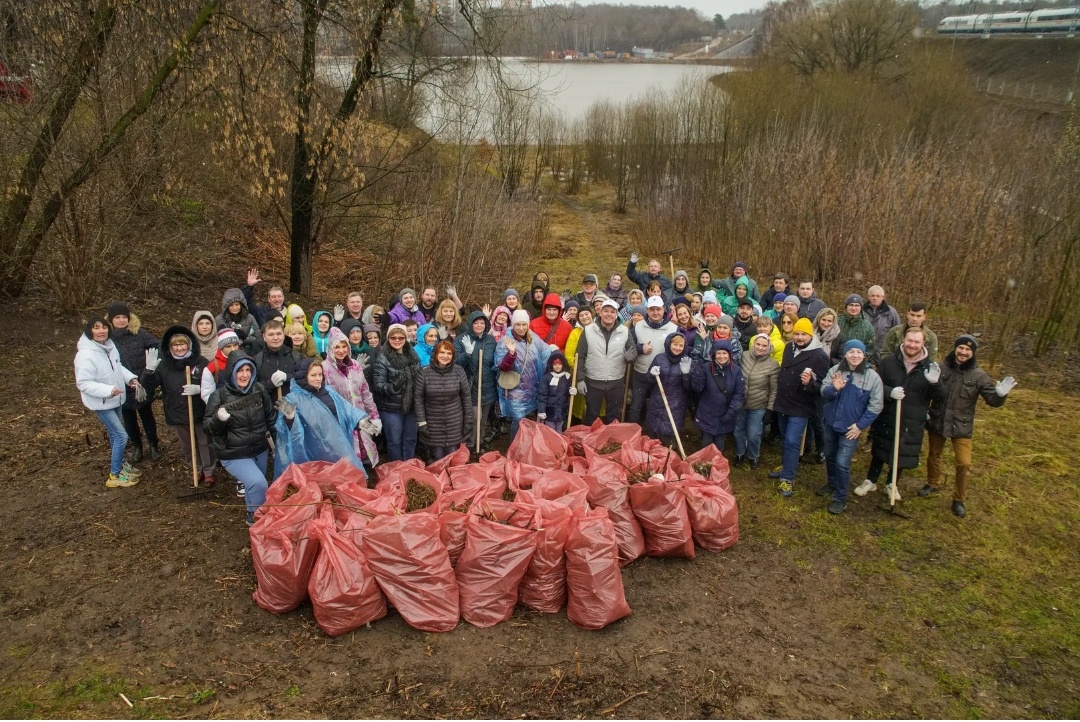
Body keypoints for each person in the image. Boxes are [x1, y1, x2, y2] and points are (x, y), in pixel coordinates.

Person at [923, 335, 1015, 518]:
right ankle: (932, 483)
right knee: (934, 454)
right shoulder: (940, 368)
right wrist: (924, 408)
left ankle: (959, 499)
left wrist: (1000, 395)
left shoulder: (979, 375)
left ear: (972, 353)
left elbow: (992, 400)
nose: (963, 352)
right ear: (955, 348)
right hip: (938, 419)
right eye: (961, 348)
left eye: (968, 350)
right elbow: (927, 392)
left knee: (964, 463)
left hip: (962, 425)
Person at [856, 327, 942, 500]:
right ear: (903, 340)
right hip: (888, 414)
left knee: (902, 451)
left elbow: (941, 397)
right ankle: (871, 480)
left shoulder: (929, 368)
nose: (912, 345)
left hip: (912, 418)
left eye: (917, 342)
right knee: (880, 448)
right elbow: (876, 385)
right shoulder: (889, 362)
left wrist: (935, 383)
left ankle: (892, 483)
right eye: (910, 340)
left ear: (923, 343)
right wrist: (889, 392)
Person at [204, 350, 278, 525]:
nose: (245, 375)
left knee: (255, 486)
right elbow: (208, 428)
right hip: (233, 452)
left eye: (248, 370)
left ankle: (253, 513)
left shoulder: (258, 389)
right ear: (232, 372)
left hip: (259, 449)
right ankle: (257, 518)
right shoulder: (219, 396)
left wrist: (278, 443)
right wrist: (218, 419)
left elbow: (270, 417)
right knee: (258, 483)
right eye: (240, 370)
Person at [140, 326, 217, 485]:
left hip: (199, 411)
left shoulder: (201, 362)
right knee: (188, 445)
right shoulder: (164, 365)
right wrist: (149, 371)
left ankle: (209, 471)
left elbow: (213, 384)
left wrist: (200, 389)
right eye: (175, 345)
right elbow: (149, 386)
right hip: (176, 412)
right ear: (170, 347)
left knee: (205, 442)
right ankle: (197, 469)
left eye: (182, 344)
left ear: (189, 345)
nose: (179, 348)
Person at [275, 358, 376, 477]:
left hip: (339, 442)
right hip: (314, 448)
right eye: (313, 375)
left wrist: (360, 421)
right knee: (323, 478)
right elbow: (286, 432)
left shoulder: (328, 391)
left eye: (320, 374)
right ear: (303, 377)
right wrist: (290, 418)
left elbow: (346, 409)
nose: (318, 378)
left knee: (346, 475)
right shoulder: (293, 399)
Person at [75, 317, 143, 487]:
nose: (101, 331)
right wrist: (108, 390)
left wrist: (130, 379)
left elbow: (117, 367)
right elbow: (83, 383)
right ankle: (114, 475)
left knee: (115, 435)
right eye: (96, 328)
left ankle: (121, 466)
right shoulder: (85, 355)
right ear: (89, 331)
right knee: (121, 436)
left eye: (104, 327)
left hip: (116, 399)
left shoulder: (109, 347)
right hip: (102, 402)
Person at [818, 340, 884, 514]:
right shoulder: (835, 370)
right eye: (851, 352)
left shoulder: (872, 377)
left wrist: (860, 426)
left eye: (859, 352)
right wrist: (834, 389)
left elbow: (876, 405)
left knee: (842, 462)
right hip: (830, 423)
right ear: (845, 354)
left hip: (851, 429)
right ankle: (832, 483)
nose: (855, 355)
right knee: (830, 455)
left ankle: (840, 498)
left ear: (864, 355)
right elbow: (823, 392)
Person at [768, 318, 831, 498]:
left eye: (804, 334)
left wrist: (808, 383)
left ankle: (787, 477)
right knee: (785, 438)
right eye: (797, 333)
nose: (800, 338)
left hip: (801, 406)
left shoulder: (819, 356)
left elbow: (822, 387)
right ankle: (787, 465)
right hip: (783, 402)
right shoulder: (789, 347)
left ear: (811, 335)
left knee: (792, 441)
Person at [107, 302, 161, 463]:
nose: (121, 320)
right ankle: (137, 446)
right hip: (121, 384)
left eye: (124, 317)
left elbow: (158, 346)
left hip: (142, 381)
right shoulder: (107, 339)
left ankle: (153, 445)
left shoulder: (139, 333)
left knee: (147, 415)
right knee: (128, 418)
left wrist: (150, 368)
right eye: (117, 317)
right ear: (111, 320)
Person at [323, 327, 382, 468]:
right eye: (337, 347)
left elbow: (365, 392)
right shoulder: (324, 368)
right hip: (340, 418)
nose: (341, 350)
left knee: (364, 446)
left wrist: (374, 416)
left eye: (344, 346)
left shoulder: (355, 366)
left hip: (360, 415)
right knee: (347, 453)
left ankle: (366, 471)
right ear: (330, 348)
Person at [494, 310, 551, 442]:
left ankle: (525, 444)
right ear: (513, 325)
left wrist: (555, 353)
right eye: (518, 324)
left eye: (524, 324)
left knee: (527, 417)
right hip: (514, 387)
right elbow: (501, 366)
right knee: (518, 418)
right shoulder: (505, 341)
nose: (521, 328)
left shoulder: (533, 338)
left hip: (531, 387)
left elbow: (546, 351)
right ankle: (514, 446)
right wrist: (511, 353)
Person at [575, 299, 633, 425]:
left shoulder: (624, 331)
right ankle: (592, 436)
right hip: (593, 381)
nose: (609, 314)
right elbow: (580, 356)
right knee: (592, 415)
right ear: (600, 313)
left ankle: (610, 437)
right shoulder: (588, 330)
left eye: (612, 311)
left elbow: (632, 352)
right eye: (606, 311)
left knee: (613, 416)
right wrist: (580, 379)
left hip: (616, 381)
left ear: (616, 314)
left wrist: (630, 357)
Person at [414, 340, 472, 461]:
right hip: (433, 422)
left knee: (452, 454)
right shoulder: (424, 372)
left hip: (454, 420)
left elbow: (466, 397)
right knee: (438, 456)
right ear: (435, 354)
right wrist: (422, 422)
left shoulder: (459, 371)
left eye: (449, 353)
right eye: (442, 352)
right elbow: (418, 399)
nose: (445, 356)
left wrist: (468, 420)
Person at [371, 324, 421, 462]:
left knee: (411, 438)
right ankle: (396, 467)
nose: (397, 340)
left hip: (411, 405)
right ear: (388, 338)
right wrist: (394, 387)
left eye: (401, 337)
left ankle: (408, 465)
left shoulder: (412, 355)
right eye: (393, 337)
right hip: (391, 408)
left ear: (405, 338)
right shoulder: (382, 358)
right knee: (394, 441)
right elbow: (379, 385)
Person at [625, 296, 677, 427]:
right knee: (636, 406)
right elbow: (628, 347)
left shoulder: (673, 328)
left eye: (658, 309)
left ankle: (653, 433)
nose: (655, 312)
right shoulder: (638, 327)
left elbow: (677, 351)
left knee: (657, 407)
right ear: (647, 310)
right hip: (640, 373)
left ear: (663, 309)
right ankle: (633, 432)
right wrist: (640, 348)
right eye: (652, 309)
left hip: (661, 376)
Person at [647, 333, 702, 448]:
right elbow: (649, 379)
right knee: (653, 431)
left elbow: (689, 387)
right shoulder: (659, 358)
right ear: (669, 344)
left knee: (668, 434)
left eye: (681, 345)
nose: (677, 348)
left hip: (676, 403)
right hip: (658, 399)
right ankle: (651, 454)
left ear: (685, 347)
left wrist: (686, 374)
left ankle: (669, 453)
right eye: (675, 344)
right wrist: (652, 374)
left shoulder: (687, 361)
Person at [455, 310, 498, 453]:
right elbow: (455, 363)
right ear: (470, 324)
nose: (479, 325)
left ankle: (480, 442)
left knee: (483, 418)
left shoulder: (490, 340)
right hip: (470, 385)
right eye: (476, 323)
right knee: (474, 417)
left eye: (482, 323)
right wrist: (467, 353)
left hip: (488, 385)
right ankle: (470, 444)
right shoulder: (462, 339)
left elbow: (495, 360)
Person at [735, 334, 779, 469]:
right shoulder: (744, 356)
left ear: (769, 347)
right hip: (741, 403)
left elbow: (774, 389)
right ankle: (740, 454)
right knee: (738, 431)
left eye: (764, 346)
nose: (760, 348)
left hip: (759, 405)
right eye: (758, 344)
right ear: (753, 344)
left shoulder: (773, 365)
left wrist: (770, 410)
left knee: (754, 434)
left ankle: (753, 456)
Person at [693, 339, 744, 454]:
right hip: (707, 412)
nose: (722, 356)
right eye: (719, 353)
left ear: (729, 354)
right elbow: (698, 389)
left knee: (719, 443)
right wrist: (696, 375)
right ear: (714, 354)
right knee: (706, 442)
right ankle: (705, 463)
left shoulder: (736, 371)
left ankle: (716, 462)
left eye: (724, 353)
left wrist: (731, 411)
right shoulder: (706, 368)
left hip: (725, 413)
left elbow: (739, 393)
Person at [253, 318, 301, 398]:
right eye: (271, 335)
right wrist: (270, 383)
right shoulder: (257, 361)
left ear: (284, 335)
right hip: (268, 405)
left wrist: (287, 377)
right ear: (264, 337)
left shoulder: (297, 357)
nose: (275, 338)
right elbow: (252, 388)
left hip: (294, 404)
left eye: (279, 334)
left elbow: (305, 379)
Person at [831, 295, 877, 365]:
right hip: (837, 363)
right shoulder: (837, 322)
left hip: (857, 364)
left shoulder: (868, 327)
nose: (853, 308)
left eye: (857, 305)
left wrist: (858, 362)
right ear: (846, 306)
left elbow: (870, 350)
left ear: (861, 308)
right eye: (851, 305)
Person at [200, 328, 241, 403]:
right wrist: (219, 407)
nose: (233, 349)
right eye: (228, 346)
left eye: (235, 345)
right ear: (221, 348)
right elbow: (207, 394)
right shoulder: (211, 367)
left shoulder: (248, 361)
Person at [537, 350, 573, 431]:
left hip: (561, 411)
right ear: (551, 365)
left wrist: (571, 391)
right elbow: (542, 395)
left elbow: (567, 393)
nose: (557, 366)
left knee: (559, 431)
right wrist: (541, 410)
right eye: (555, 364)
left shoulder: (566, 377)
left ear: (563, 365)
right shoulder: (546, 378)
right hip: (550, 412)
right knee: (550, 432)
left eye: (559, 364)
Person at [862, 285, 901, 350]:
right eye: (872, 296)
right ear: (868, 297)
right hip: (864, 348)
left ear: (883, 297)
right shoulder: (861, 311)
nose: (875, 298)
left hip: (883, 349)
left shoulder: (891, 312)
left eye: (878, 296)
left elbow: (898, 331)